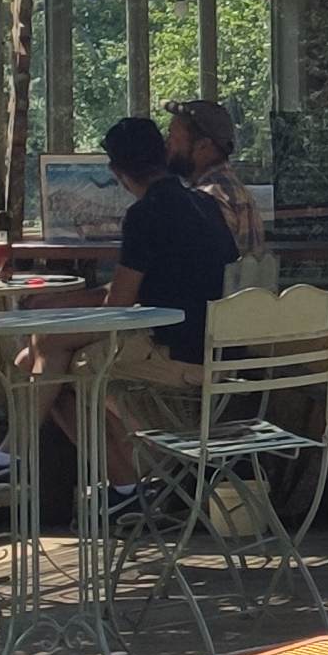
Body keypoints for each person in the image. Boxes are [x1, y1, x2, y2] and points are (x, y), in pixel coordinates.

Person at [94, 113, 237, 467]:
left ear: (117, 172)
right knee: (60, 366)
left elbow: (118, 308)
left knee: (65, 366)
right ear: (163, 156)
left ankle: (154, 463)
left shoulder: (145, 214)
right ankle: (128, 484)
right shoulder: (206, 205)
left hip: (179, 356)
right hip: (221, 354)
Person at [164, 96, 261, 259]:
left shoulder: (209, 198)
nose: (167, 145)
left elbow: (202, 263)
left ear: (203, 145)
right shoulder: (231, 190)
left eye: (173, 137)